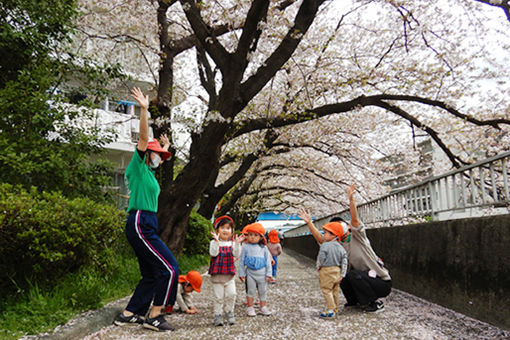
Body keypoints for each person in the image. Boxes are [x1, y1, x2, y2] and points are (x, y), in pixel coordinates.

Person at [113, 87, 178, 332]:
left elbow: (162, 155)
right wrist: (144, 110)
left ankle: (130, 313)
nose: (160, 159)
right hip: (140, 221)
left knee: (152, 273)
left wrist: (166, 146)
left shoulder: (150, 174)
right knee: (169, 268)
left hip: (147, 222)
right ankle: (155, 316)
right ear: (147, 153)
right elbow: (142, 140)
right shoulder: (138, 166)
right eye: (157, 155)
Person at [299, 184, 392, 313]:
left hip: (380, 281)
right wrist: (309, 223)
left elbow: (355, 220)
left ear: (346, 227)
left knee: (353, 275)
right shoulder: (338, 244)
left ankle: (375, 302)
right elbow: (322, 239)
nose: (331, 233)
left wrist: (351, 200)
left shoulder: (358, 237)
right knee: (341, 275)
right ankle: (354, 300)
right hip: (362, 278)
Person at [209, 215, 244, 326]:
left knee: (232, 294)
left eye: (228, 228)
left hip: (229, 276)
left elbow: (237, 254)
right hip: (217, 276)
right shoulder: (213, 243)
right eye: (222, 227)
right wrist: (216, 242)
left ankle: (229, 312)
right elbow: (213, 253)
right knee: (218, 297)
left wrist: (238, 244)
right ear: (217, 230)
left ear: (232, 231)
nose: (225, 230)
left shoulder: (233, 243)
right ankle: (218, 315)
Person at [238, 223, 273, 317]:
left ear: (261, 237)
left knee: (263, 291)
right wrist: (241, 274)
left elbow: (268, 262)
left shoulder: (264, 248)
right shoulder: (245, 247)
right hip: (250, 273)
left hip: (262, 273)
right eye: (250, 234)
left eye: (256, 235)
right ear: (247, 236)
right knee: (250, 290)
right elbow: (241, 261)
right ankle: (250, 307)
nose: (252, 237)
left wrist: (269, 274)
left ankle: (263, 307)